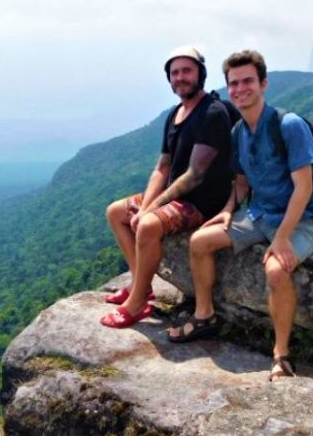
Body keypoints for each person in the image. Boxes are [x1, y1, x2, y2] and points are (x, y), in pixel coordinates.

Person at [170, 49, 313, 381]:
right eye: (234, 84)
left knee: (275, 269)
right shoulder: (239, 132)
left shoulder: (289, 125)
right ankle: (204, 315)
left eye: (248, 81)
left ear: (263, 84)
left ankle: (281, 353)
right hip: (258, 215)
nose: (240, 89)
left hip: (301, 220)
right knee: (199, 241)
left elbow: (304, 188)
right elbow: (240, 181)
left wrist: (282, 238)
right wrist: (228, 211)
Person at [100, 46, 234, 328]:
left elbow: (195, 175)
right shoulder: (175, 114)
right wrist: (146, 205)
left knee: (148, 225)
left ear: (201, 74)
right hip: (176, 195)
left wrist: (149, 210)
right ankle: (141, 284)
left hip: (201, 201)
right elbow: (162, 168)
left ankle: (136, 304)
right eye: (175, 73)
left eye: (187, 71)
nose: (180, 78)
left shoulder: (212, 113)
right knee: (116, 212)